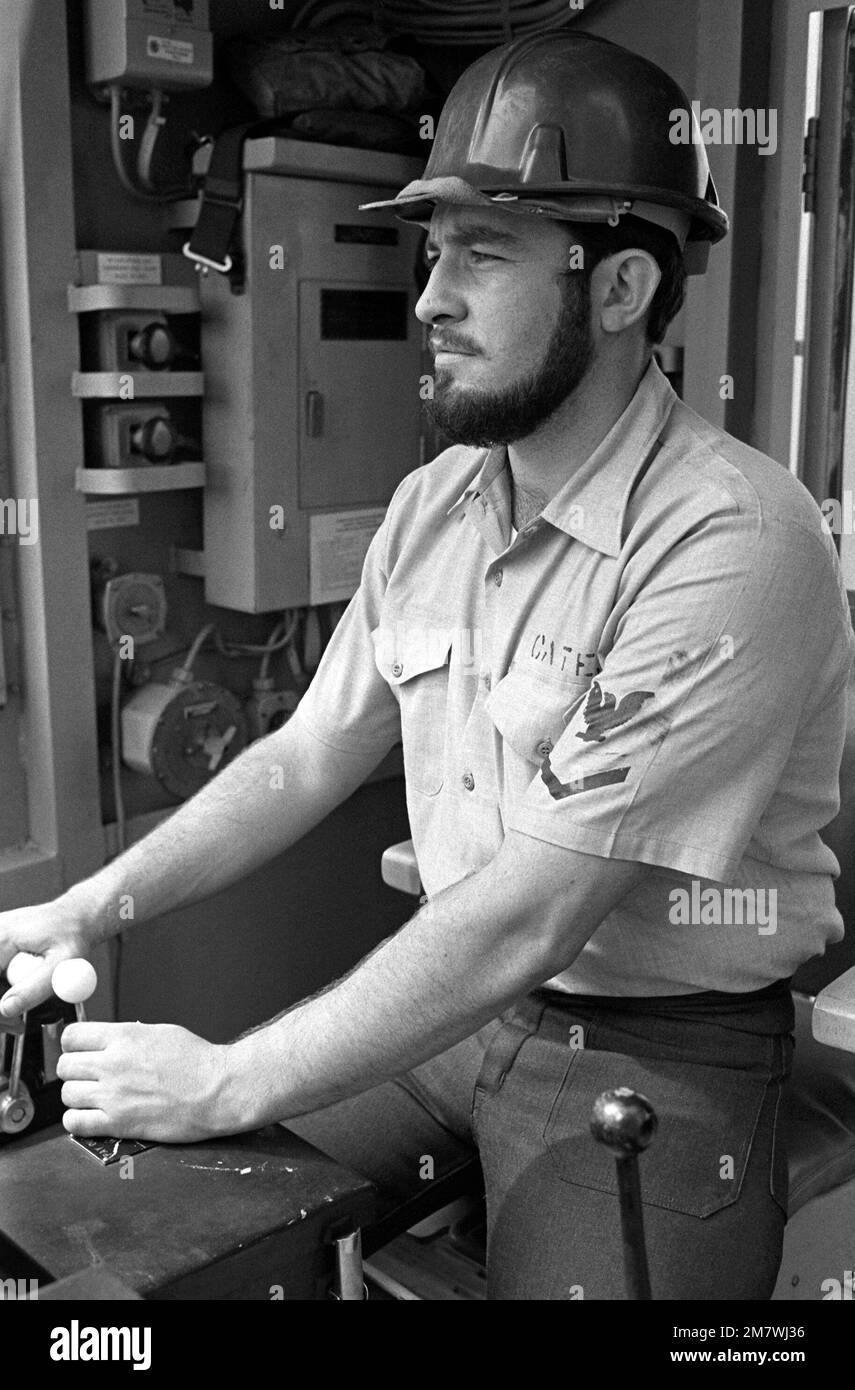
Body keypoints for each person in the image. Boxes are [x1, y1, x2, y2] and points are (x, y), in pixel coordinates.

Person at [1, 31, 852, 1300]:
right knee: (152, 1228)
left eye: (483, 253)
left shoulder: (735, 541)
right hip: (465, 999)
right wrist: (91, 904)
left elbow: (536, 911)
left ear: (618, 291)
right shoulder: (439, 501)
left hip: (666, 1044)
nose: (429, 298)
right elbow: (301, 760)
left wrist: (232, 1071)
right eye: (433, 249)